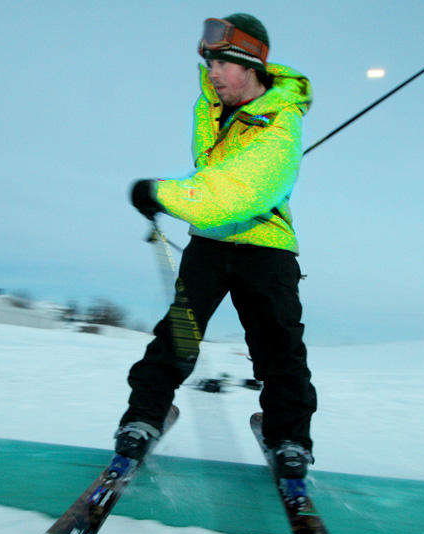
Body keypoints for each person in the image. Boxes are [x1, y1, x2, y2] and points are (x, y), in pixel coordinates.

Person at [114, 13, 317, 479]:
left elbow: (239, 193)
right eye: (209, 64)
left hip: (266, 245)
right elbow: (213, 179)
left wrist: (162, 192)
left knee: (278, 346)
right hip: (209, 242)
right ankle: (144, 418)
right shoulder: (208, 110)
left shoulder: (282, 123)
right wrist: (185, 197)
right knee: (178, 336)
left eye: (223, 63)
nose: (213, 73)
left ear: (251, 66)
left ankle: (288, 437)